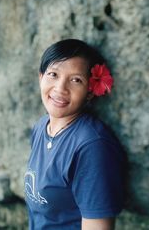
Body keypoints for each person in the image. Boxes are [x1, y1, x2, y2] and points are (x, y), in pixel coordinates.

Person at [24, 39, 125, 230]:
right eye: (53, 74)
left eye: (76, 80)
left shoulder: (92, 146)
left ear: (89, 92)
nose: (60, 88)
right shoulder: (41, 127)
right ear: (40, 77)